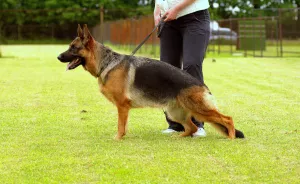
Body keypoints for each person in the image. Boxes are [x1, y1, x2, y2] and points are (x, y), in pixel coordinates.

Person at [154, 0, 210, 137]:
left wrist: (177, 9)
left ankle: (198, 124)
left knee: (192, 66)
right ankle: (175, 124)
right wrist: (156, 12)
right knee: (168, 70)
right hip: (168, 21)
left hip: (194, 17)